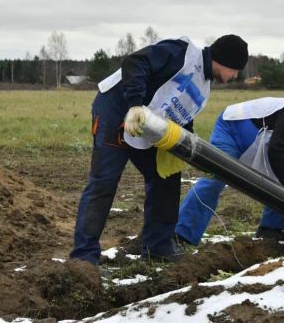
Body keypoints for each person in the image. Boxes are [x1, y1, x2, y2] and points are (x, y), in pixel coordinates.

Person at [70, 34, 249, 265]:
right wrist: (134, 104)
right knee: (103, 183)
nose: (235, 76)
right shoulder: (182, 52)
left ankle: (158, 248)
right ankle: (84, 257)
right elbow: (135, 62)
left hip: (147, 126)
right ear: (224, 60)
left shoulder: (203, 87)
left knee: (167, 179)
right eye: (235, 70)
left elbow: (182, 117)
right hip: (116, 112)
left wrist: (190, 151)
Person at [175, 97, 284, 245]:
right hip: (234, 131)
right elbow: (277, 149)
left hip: (261, 145)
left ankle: (271, 229)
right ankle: (182, 235)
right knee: (216, 178)